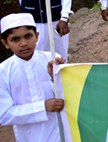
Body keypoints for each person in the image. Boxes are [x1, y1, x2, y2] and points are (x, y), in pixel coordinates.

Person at [0, 13, 66, 142]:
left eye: (28, 36)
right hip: (28, 136)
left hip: (58, 131)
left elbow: (70, 95)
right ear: (5, 43)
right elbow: (5, 115)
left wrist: (56, 78)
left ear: (36, 37)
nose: (23, 43)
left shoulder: (52, 58)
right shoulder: (3, 71)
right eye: (15, 39)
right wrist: (42, 107)